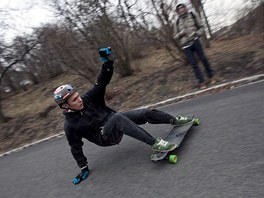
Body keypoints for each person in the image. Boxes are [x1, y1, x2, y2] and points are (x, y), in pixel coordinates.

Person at [53, 47, 193, 185]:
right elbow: (75, 147)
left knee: (144, 112)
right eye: (74, 100)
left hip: (115, 120)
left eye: (78, 96)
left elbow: (101, 83)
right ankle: (156, 144)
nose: (79, 100)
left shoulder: (87, 99)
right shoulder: (70, 125)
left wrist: (107, 63)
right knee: (118, 118)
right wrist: (83, 167)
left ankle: (175, 120)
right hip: (105, 136)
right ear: (66, 106)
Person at [173, 3, 216, 89]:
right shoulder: (176, 22)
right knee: (193, 64)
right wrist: (180, 34)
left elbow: (201, 27)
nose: (181, 9)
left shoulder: (193, 15)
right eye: (179, 9)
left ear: (185, 8)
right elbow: (175, 36)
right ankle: (201, 81)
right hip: (185, 45)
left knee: (203, 59)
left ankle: (211, 77)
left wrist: (197, 33)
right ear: (178, 11)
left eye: (182, 7)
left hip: (195, 40)